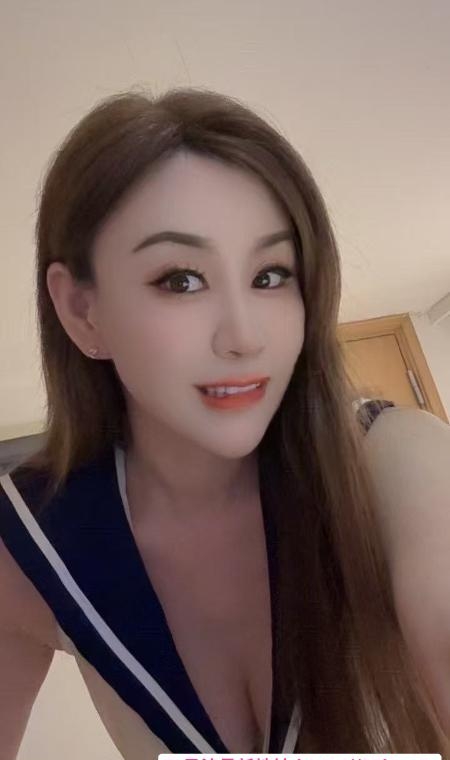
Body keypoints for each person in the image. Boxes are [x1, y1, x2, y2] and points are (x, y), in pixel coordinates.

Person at [0, 87, 449, 758]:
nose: (244, 337)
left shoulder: (395, 459)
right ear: (82, 312)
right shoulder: (35, 542)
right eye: (181, 280)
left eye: (271, 275)